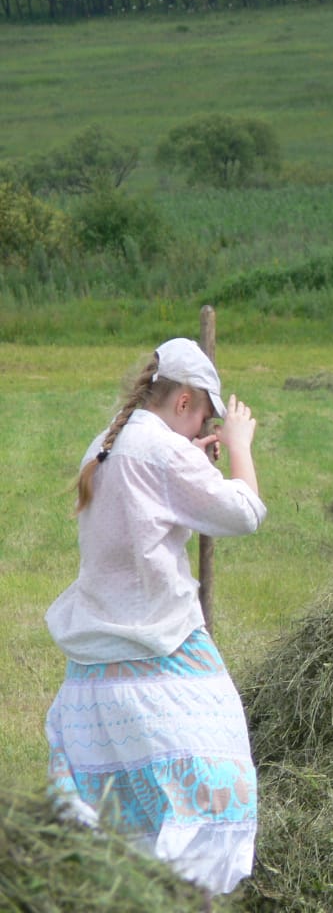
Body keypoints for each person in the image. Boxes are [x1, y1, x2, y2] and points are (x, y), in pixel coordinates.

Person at [44, 338, 267, 896]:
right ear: (185, 401)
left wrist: (194, 460)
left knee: (128, 809)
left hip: (97, 667)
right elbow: (243, 514)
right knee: (218, 788)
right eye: (204, 421)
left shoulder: (106, 444)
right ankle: (186, 895)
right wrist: (240, 447)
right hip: (158, 649)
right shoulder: (162, 452)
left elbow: (156, 500)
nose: (202, 432)